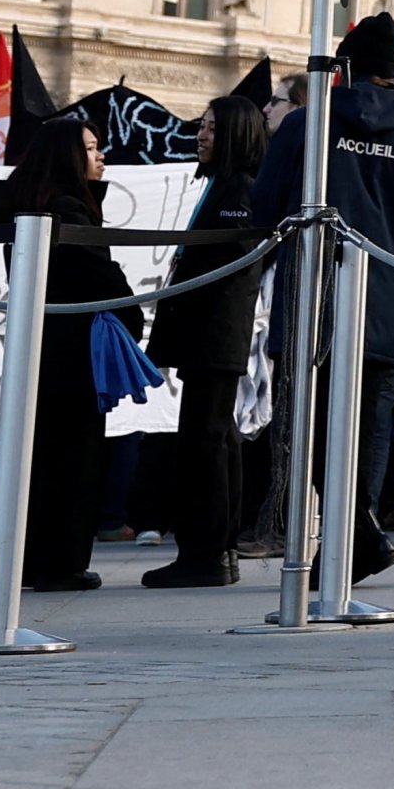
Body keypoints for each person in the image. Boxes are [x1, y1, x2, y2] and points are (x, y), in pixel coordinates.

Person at [244, 13, 394, 586]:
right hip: (384, 306)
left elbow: (266, 212)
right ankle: (357, 539)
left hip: (310, 300)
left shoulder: (308, 124)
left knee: (305, 425)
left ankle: (352, 537)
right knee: (370, 428)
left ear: (344, 65)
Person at [0, 102, 133, 590]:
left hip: (43, 345)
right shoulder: (68, 209)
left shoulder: (29, 201)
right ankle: (63, 561)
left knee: (44, 454)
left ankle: (36, 559)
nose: (101, 159)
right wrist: (132, 310)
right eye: (91, 150)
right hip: (72, 351)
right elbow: (99, 274)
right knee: (75, 456)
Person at [145, 93, 271, 587]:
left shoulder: (239, 191)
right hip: (210, 331)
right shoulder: (224, 186)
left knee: (206, 442)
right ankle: (217, 549)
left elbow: (229, 263)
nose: (202, 135)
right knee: (216, 440)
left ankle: (205, 553)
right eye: (202, 126)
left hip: (216, 331)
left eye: (213, 128)